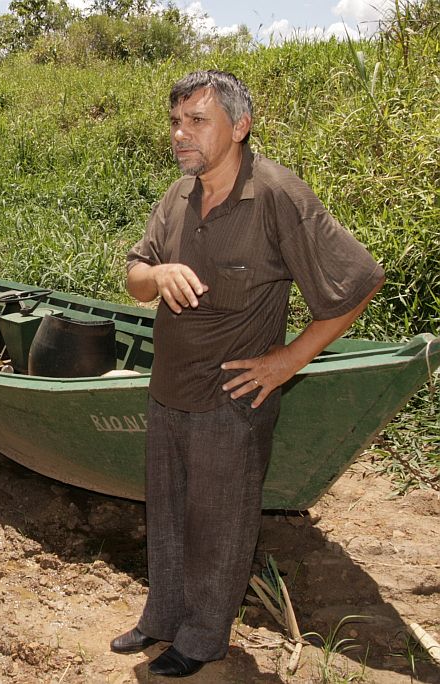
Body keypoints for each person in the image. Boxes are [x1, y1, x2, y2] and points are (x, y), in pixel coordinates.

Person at [113, 70, 384, 677]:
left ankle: (203, 640)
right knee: (168, 513)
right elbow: (134, 276)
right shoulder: (177, 197)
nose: (182, 134)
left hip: (231, 401)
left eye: (197, 121)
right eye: (176, 122)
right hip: (168, 391)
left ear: (239, 126)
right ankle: (161, 619)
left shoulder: (278, 196)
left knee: (220, 525)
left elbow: (359, 281)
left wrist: (287, 362)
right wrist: (156, 277)